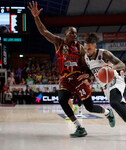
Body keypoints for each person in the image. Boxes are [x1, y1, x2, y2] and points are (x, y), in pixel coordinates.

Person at [28, 1, 115, 138]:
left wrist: (87, 76)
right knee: (62, 100)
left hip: (78, 78)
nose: (74, 35)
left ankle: (107, 112)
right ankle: (79, 127)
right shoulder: (59, 42)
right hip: (65, 79)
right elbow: (44, 32)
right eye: (72, 33)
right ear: (66, 33)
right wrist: (36, 17)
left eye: (75, 34)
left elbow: (87, 65)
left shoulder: (79, 48)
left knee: (89, 107)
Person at [82, 33, 126, 142]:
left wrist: (111, 66)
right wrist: (87, 76)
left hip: (115, 80)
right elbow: (93, 70)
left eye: (89, 49)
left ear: (95, 47)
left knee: (114, 103)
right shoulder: (86, 57)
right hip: (105, 86)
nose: (87, 51)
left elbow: (121, 65)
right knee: (124, 112)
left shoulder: (104, 54)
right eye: (86, 49)